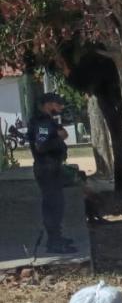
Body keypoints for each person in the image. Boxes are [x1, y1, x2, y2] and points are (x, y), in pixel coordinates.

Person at [29, 92, 76, 254]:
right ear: (48, 104)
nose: (61, 108)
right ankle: (54, 242)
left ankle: (56, 237)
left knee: (57, 205)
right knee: (52, 206)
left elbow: (59, 132)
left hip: (52, 167)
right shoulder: (42, 122)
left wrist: (59, 133)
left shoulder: (48, 121)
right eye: (58, 104)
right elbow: (41, 146)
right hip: (46, 168)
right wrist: (58, 137)